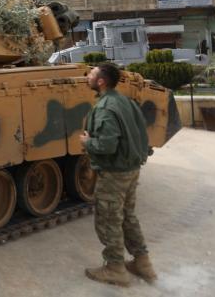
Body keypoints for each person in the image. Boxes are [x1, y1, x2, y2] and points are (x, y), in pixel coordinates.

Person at [79, 63, 157, 287]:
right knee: (128, 216)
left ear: (101, 82)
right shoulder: (124, 101)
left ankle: (115, 268)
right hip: (131, 169)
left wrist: (87, 142)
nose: (88, 76)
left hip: (114, 172)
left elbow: (107, 145)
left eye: (92, 73)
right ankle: (143, 263)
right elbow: (141, 130)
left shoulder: (105, 107)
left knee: (108, 219)